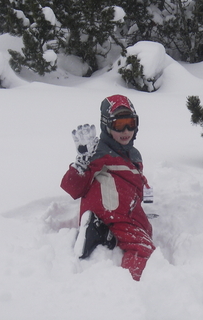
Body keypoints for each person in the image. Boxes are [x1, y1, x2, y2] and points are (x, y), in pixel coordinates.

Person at [61, 94, 155, 281]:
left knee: (146, 230)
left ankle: (102, 234)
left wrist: (144, 191)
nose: (126, 130)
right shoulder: (97, 151)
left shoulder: (134, 154)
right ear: (106, 125)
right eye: (119, 125)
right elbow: (72, 187)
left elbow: (133, 181)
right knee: (142, 249)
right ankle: (130, 287)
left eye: (130, 123)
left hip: (123, 213)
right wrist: (81, 163)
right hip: (112, 213)